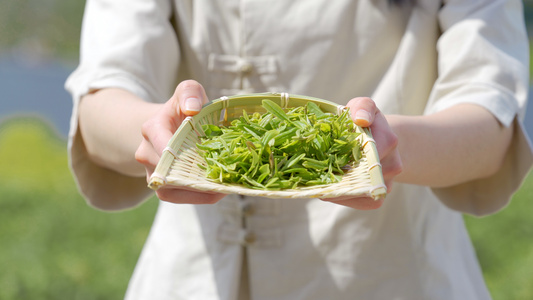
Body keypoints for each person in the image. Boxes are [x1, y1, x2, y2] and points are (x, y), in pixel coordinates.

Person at [65, 0, 533, 299]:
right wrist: (158, 132)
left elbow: (489, 114)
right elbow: (104, 93)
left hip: (388, 275)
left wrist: (387, 146)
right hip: (195, 278)